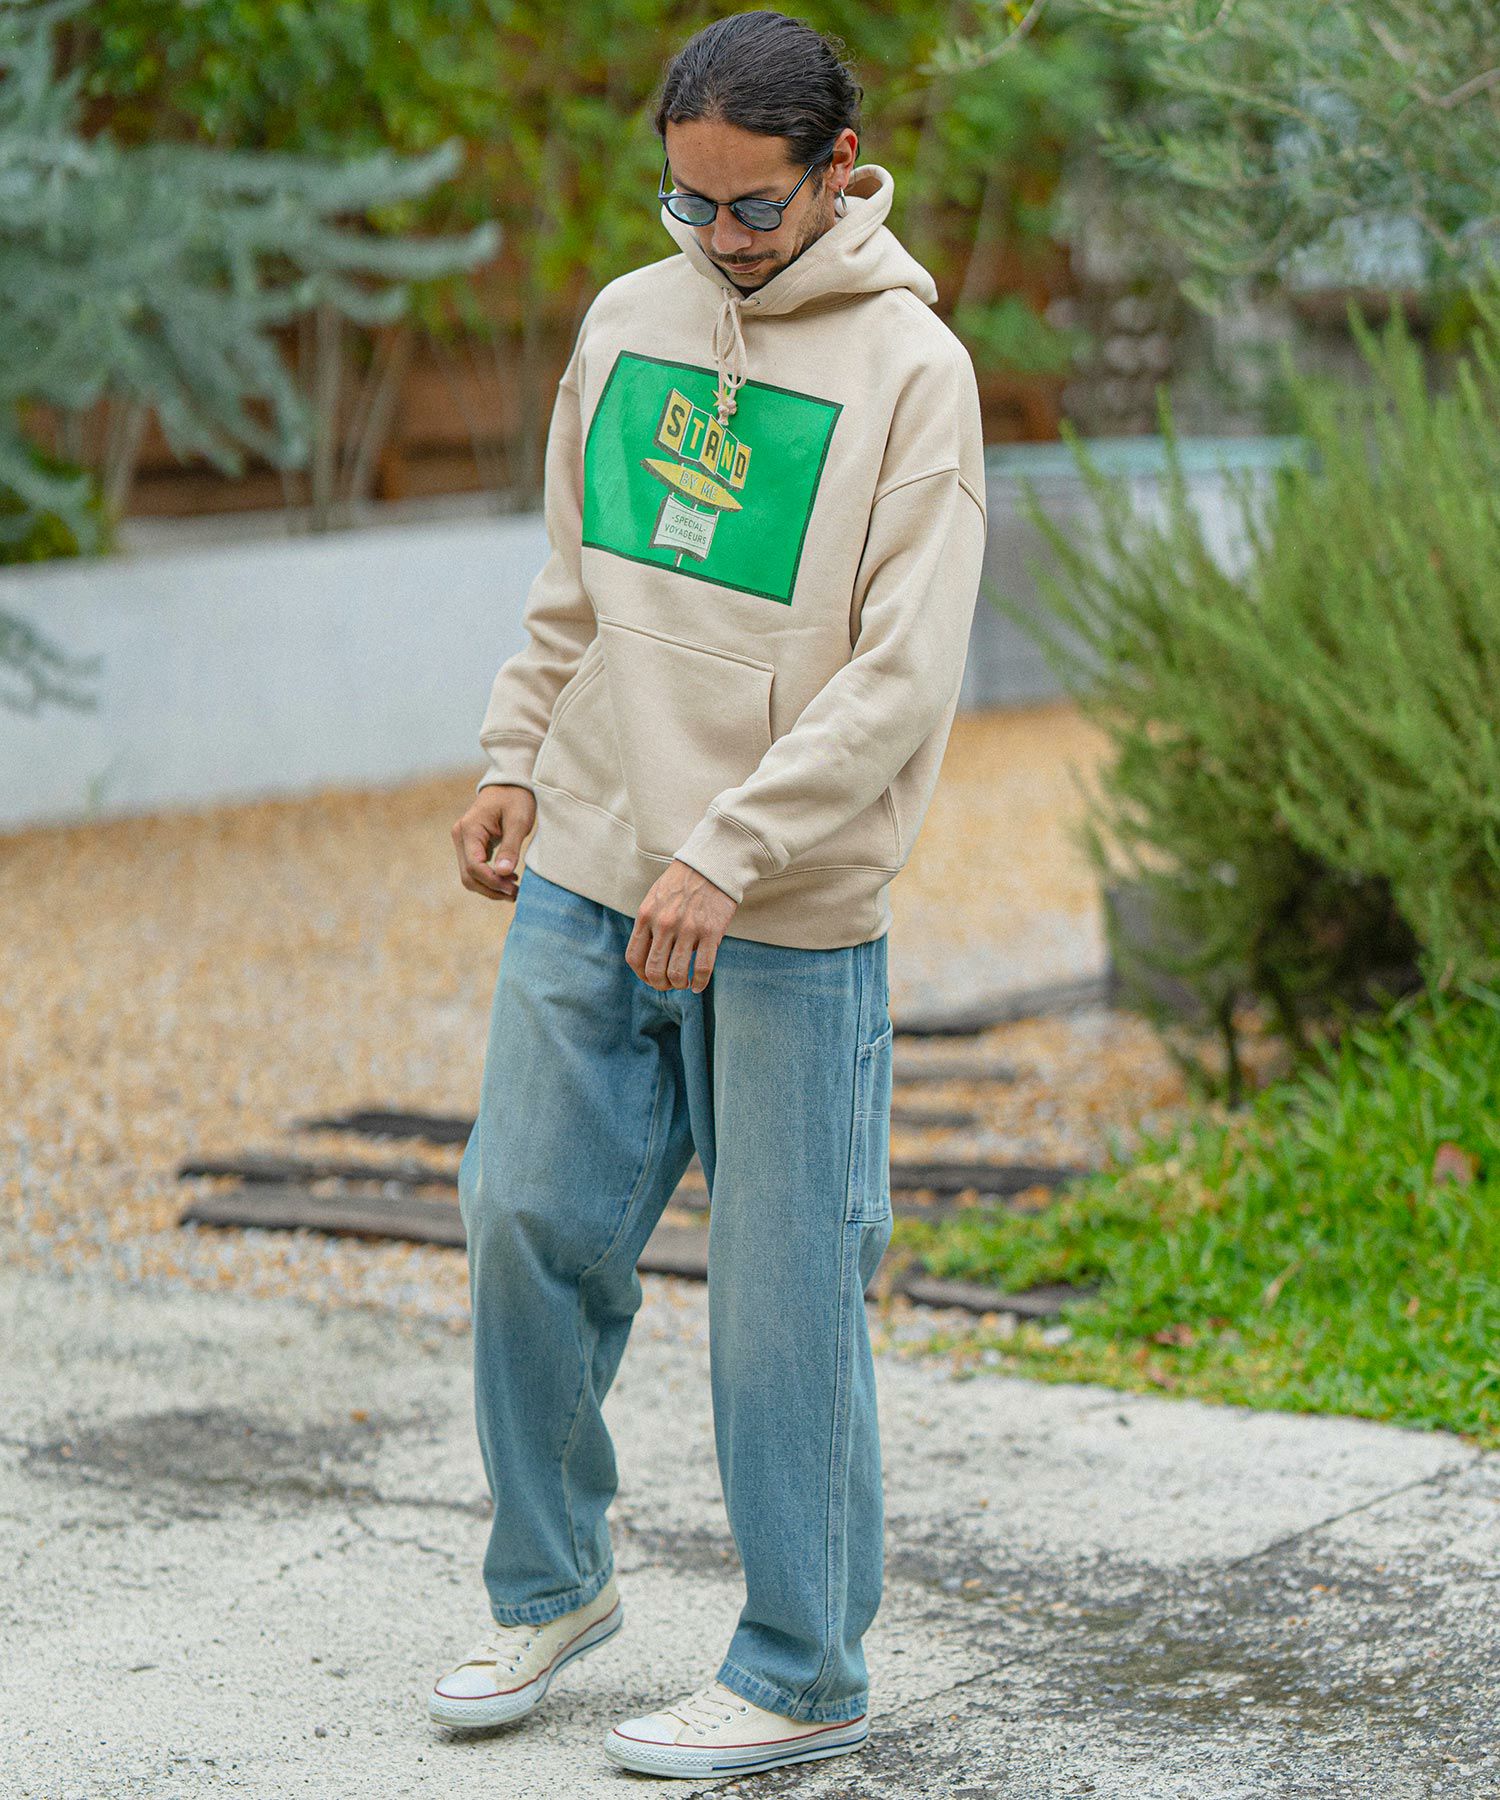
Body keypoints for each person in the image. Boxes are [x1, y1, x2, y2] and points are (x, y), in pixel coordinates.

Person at [430, 9, 987, 1781]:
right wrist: (517, 755)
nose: (720, 239)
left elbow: (900, 679)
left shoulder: (913, 374)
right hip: (597, 860)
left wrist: (729, 850)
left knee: (784, 1302)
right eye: (688, 203)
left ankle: (804, 1671)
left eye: (752, 206)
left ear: (840, 171)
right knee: (522, 1216)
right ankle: (552, 1584)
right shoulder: (627, 319)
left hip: (784, 910)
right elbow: (577, 578)